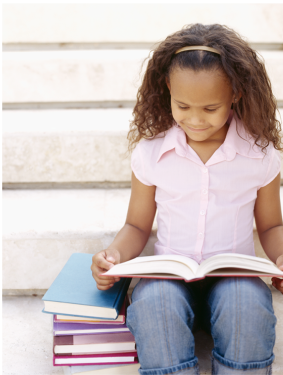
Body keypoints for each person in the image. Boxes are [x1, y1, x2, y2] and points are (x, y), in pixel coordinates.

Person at [91, 23, 283, 375]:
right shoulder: (151, 154)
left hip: (235, 278)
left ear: (236, 94)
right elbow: (136, 224)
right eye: (183, 106)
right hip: (169, 277)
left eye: (211, 108)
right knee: (153, 303)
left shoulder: (260, 155)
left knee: (245, 304)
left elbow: (271, 225)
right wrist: (114, 256)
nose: (195, 119)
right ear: (167, 87)